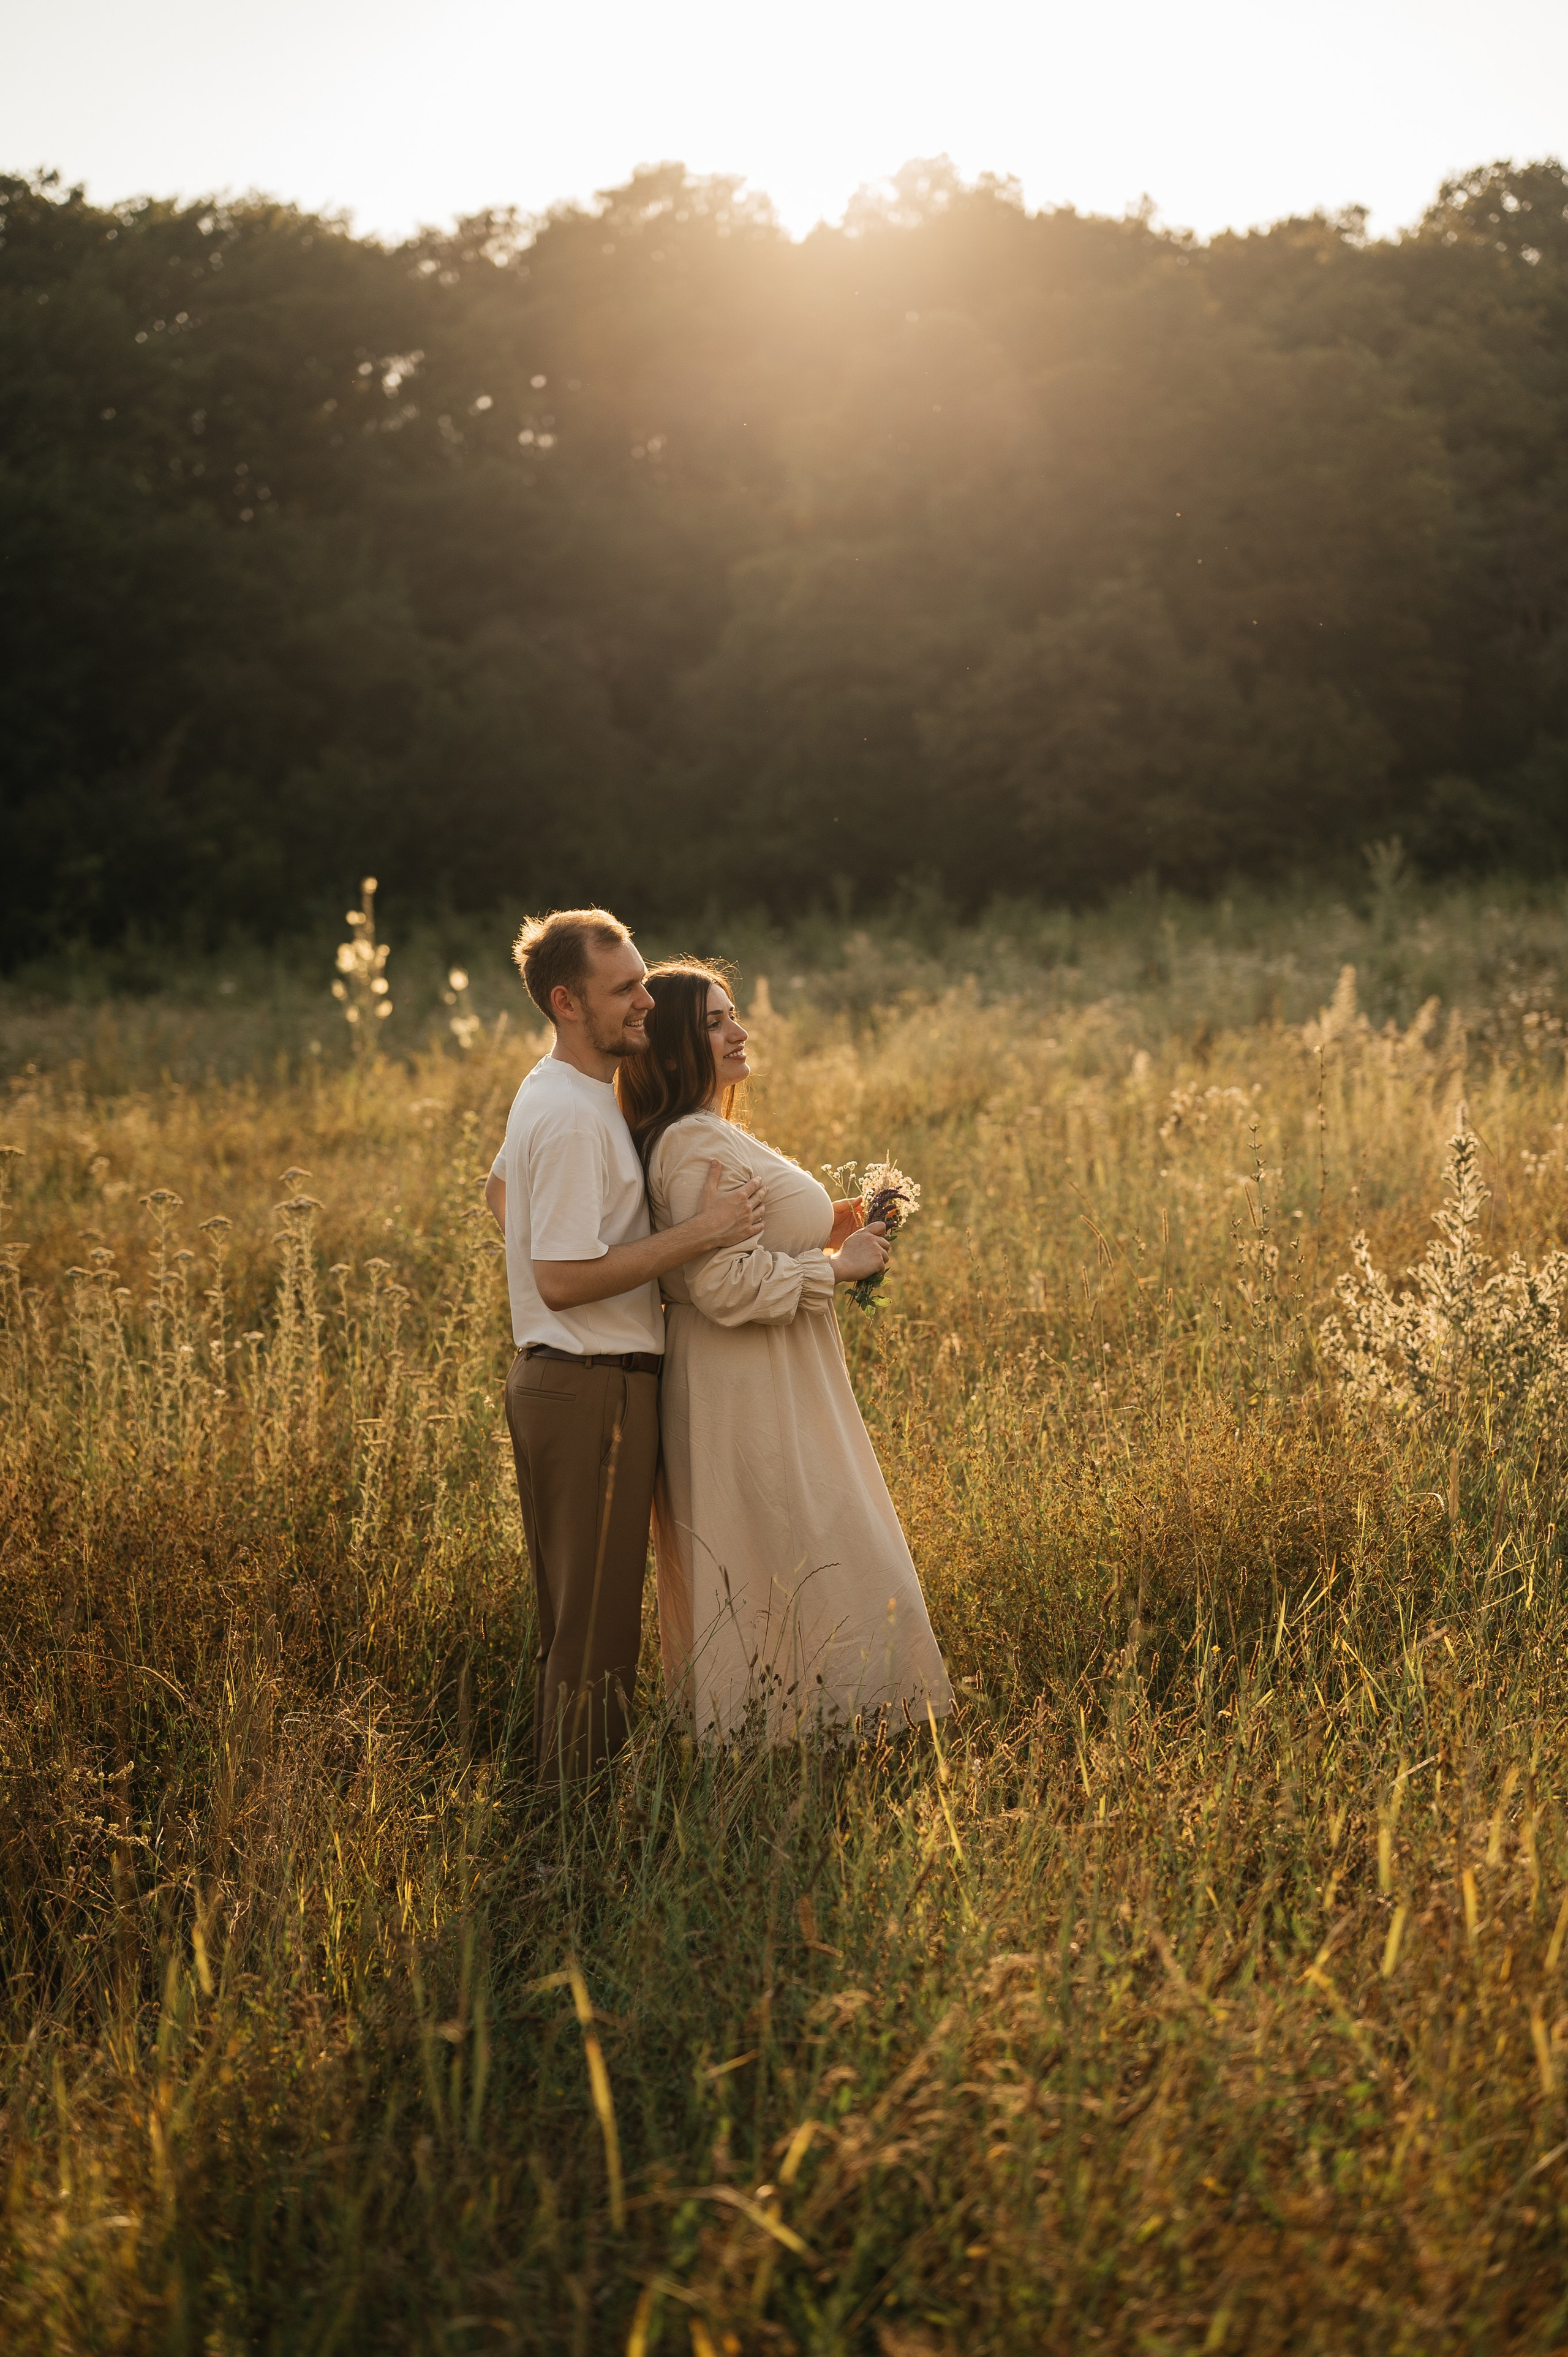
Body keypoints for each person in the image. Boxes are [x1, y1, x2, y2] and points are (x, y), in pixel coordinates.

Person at [616, 960, 952, 1743]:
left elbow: (742, 1242)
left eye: (732, 1015)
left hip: (775, 1370)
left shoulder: (709, 1129)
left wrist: (832, 1223)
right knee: (787, 1541)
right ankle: (781, 1730)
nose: (738, 1033)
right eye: (711, 1023)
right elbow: (720, 1285)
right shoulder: (689, 1143)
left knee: (802, 1537)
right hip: (744, 1378)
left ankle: (813, 1722)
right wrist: (837, 1267)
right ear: (667, 1047)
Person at [484, 910, 767, 1779]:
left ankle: (564, 1818)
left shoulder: (556, 1090)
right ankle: (573, 1839)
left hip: (568, 1379)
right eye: (626, 991)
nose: (649, 1001)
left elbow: (501, 1196)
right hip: (590, 1385)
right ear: (568, 1003)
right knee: (596, 1634)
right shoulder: (573, 1117)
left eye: (643, 980)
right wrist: (701, 1234)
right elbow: (564, 1277)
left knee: (581, 1622)